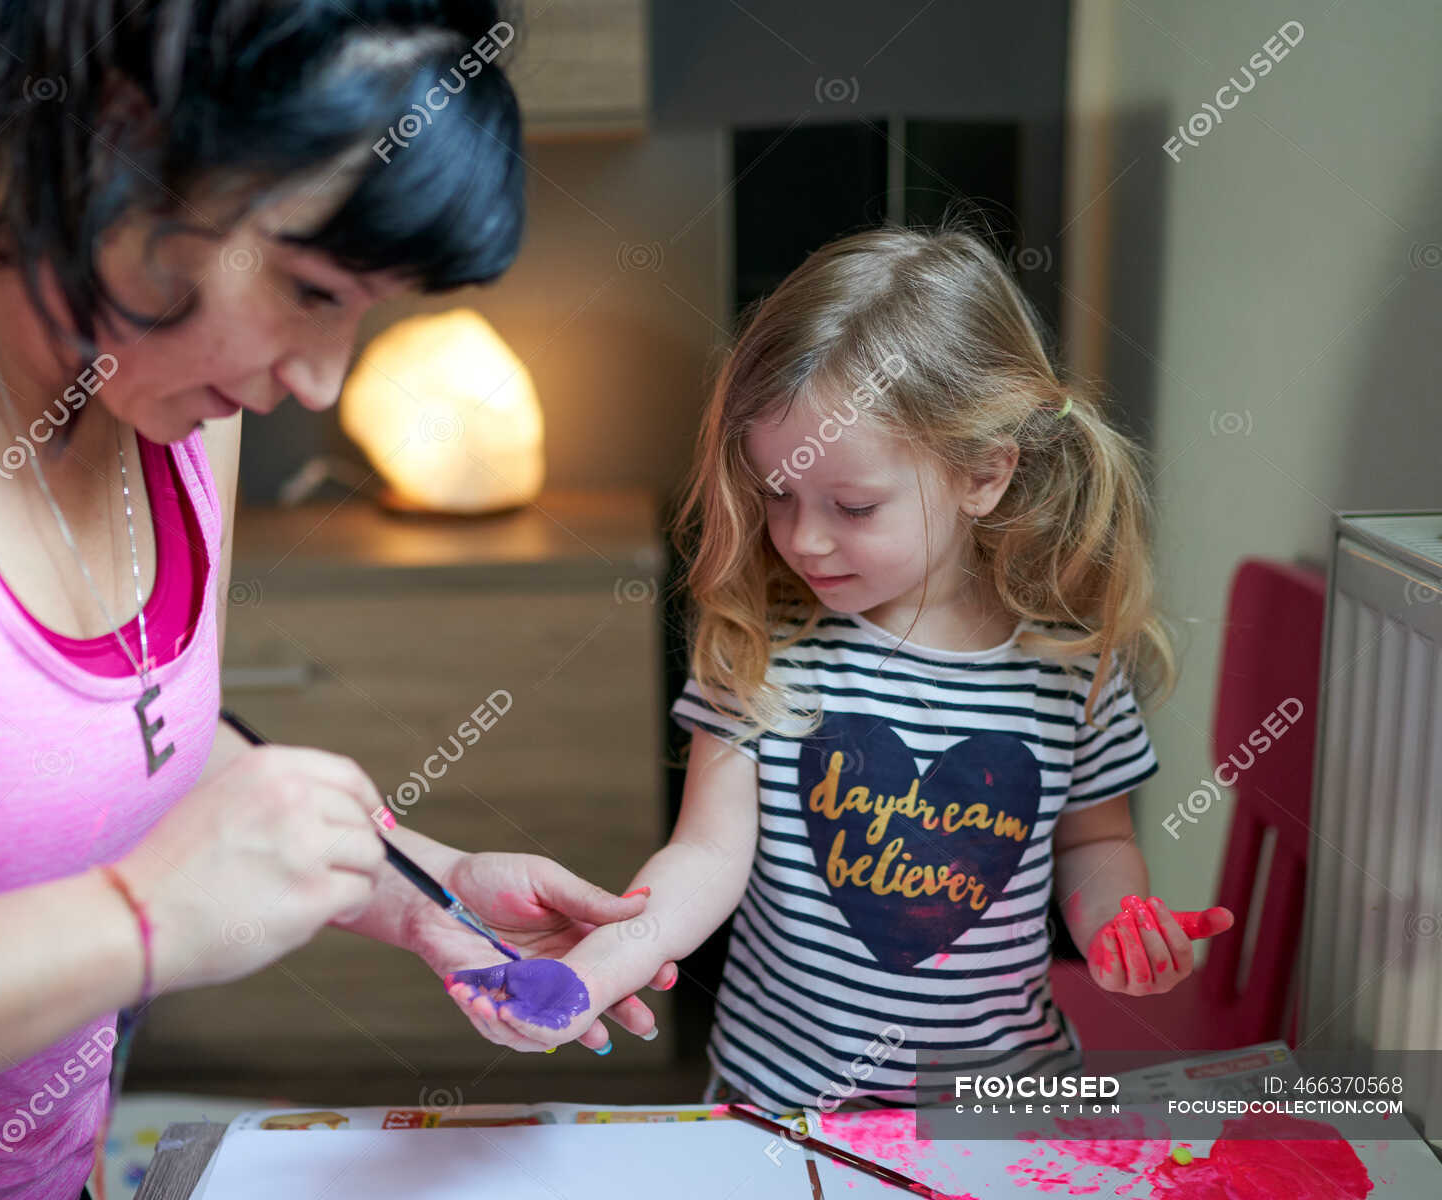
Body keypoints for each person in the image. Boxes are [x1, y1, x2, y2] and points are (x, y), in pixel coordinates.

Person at [0, 3, 667, 1195]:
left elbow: (125, 740)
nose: (321, 385)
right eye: (307, 289)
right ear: (130, 131)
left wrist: (416, 882)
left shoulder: (172, 401)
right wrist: (135, 923)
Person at [447, 226, 1235, 1108]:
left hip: (1002, 1107)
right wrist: (591, 974)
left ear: (983, 474)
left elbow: (1096, 842)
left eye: (853, 505)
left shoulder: (1070, 668)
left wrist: (1116, 927)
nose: (804, 537)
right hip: (777, 1103)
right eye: (777, 494)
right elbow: (705, 856)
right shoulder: (764, 645)